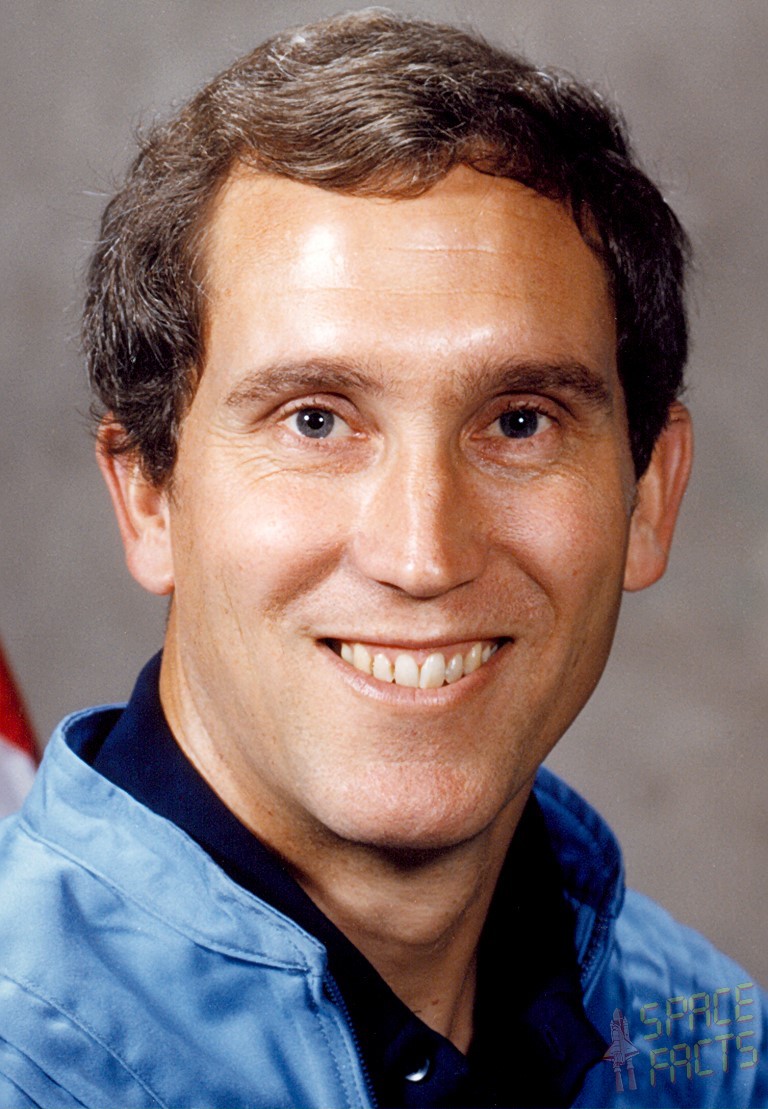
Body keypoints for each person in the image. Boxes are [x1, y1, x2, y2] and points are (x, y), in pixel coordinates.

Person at [0, 10, 764, 1108]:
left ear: (649, 493)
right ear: (148, 494)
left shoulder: (708, 1047)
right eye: (315, 420)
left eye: (520, 422)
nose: (422, 553)